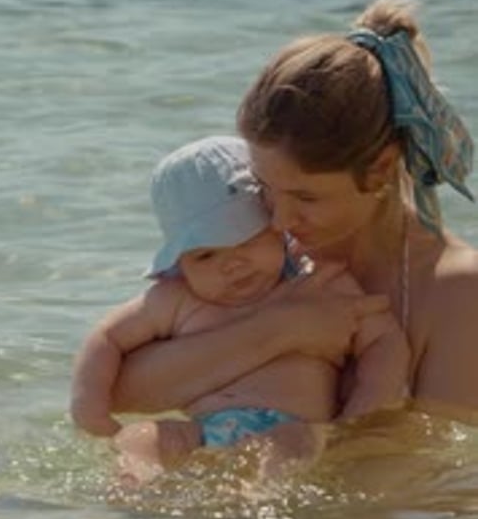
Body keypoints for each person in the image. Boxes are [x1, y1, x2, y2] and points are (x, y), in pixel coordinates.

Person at [108, 0, 478, 426]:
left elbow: (440, 478)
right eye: (264, 188)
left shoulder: (457, 292)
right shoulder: (258, 251)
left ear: (379, 168)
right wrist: (283, 328)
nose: (280, 220)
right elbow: (120, 391)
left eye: (306, 198)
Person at [71, 136, 408, 480]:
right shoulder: (177, 299)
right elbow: (106, 337)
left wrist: (362, 416)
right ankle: (133, 498)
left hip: (290, 425)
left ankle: (258, 506)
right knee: (140, 438)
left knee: (289, 444)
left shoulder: (319, 285)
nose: (232, 264)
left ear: (278, 229)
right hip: (203, 434)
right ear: (181, 263)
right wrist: (90, 410)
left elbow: (384, 342)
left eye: (246, 240)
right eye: (205, 255)